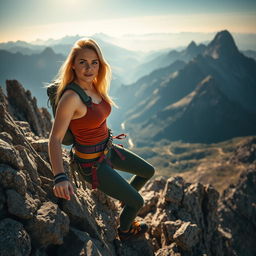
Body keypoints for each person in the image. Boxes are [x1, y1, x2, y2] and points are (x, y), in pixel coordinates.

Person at [47, 38, 155, 241]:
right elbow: (54, 138)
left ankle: (126, 199)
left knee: (148, 171)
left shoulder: (95, 87)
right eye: (83, 62)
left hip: (108, 150)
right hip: (92, 165)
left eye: (94, 62)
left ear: (100, 63)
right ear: (73, 65)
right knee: (138, 202)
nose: (89, 68)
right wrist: (59, 176)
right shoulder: (71, 98)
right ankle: (124, 230)